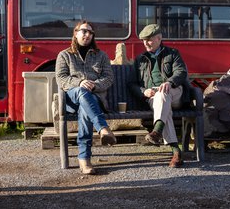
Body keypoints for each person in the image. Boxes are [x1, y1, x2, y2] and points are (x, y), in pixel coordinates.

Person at [55, 20, 116, 175]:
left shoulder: (101, 55)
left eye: (90, 33)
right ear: (76, 33)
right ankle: (102, 128)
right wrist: (80, 82)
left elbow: (108, 78)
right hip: (71, 98)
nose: (87, 35)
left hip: (93, 98)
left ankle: (84, 159)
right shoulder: (65, 55)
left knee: (85, 108)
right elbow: (61, 79)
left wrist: (94, 85)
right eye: (84, 31)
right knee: (82, 92)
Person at [129, 24, 191, 168]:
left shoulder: (173, 53)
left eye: (149, 40)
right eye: (144, 40)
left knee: (164, 95)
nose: (146, 43)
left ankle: (157, 132)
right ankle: (176, 151)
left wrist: (170, 82)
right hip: (153, 97)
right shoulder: (140, 59)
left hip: (175, 93)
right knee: (163, 105)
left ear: (159, 38)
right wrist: (144, 91)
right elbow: (131, 84)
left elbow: (181, 72)